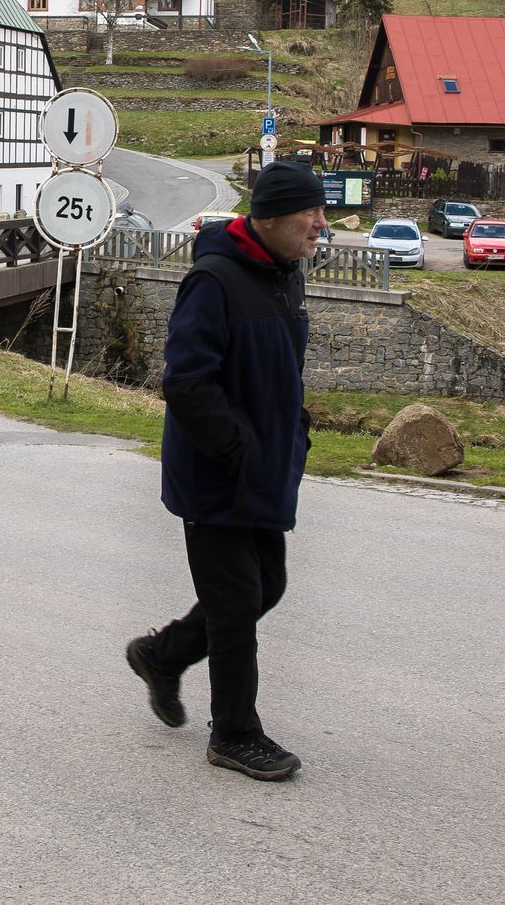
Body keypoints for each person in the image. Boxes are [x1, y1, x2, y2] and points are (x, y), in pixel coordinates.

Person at [126, 160, 328, 781]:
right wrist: (238, 448)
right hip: (217, 471)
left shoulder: (282, 275)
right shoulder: (214, 280)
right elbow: (185, 380)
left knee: (266, 586)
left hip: (264, 466)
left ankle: (164, 656)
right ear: (268, 218)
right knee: (237, 600)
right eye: (310, 212)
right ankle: (235, 733)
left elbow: (273, 371)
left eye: (321, 211)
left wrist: (291, 435)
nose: (322, 223)